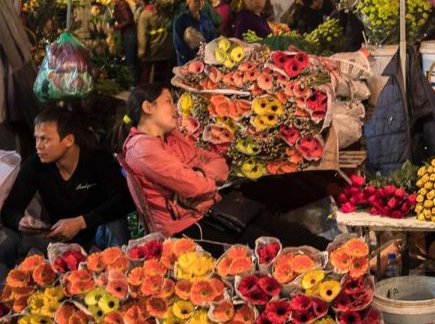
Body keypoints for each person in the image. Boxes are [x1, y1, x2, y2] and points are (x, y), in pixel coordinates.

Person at [114, 84, 327, 250]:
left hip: (213, 210)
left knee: (293, 233)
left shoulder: (172, 137)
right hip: (189, 228)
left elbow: (217, 162)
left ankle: (346, 256)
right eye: (168, 101)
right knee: (275, 248)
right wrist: (201, 179)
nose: (175, 108)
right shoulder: (142, 149)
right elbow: (195, 187)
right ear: (148, 107)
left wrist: (202, 176)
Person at [0, 109, 133, 281]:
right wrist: (21, 222)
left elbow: (125, 200)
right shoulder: (35, 164)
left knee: (115, 224)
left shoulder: (97, 159)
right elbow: (9, 210)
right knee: (5, 239)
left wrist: (81, 222)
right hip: (56, 241)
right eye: (36, 138)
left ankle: (122, 280)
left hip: (95, 236)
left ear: (68, 140)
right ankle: (8, 297)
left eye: (45, 139)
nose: (38, 146)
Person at [137, 0, 174, 84]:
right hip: (165, 48)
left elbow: (142, 35)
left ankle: (147, 93)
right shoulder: (165, 11)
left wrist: (141, 52)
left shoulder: (145, 14)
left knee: (146, 73)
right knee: (163, 74)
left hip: (151, 50)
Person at [173, 0, 216, 66]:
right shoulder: (180, 20)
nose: (200, 3)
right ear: (189, 2)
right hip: (187, 62)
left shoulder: (205, 18)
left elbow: (212, 37)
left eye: (202, 0)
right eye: (196, 1)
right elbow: (178, 43)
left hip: (205, 60)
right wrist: (193, 57)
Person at [108, 0, 138, 75]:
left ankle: (133, 81)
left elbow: (128, 20)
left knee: (130, 59)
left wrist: (115, 27)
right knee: (130, 59)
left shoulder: (122, 4)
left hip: (129, 34)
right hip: (128, 33)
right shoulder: (120, 4)